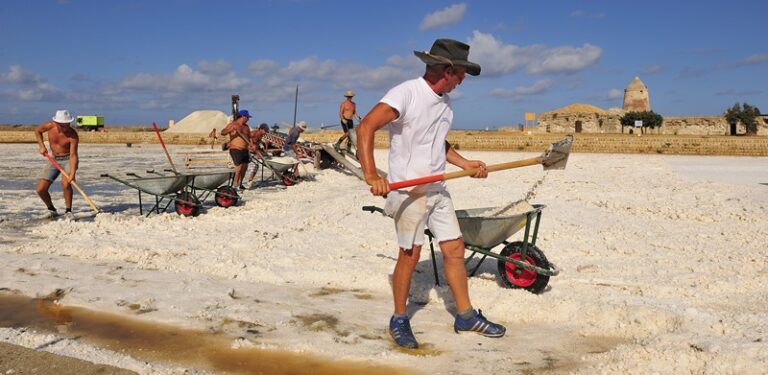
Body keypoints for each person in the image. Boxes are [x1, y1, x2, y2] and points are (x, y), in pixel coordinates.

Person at [357, 39, 506, 349]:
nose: (463, 79)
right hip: (410, 191)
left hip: (438, 188)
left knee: (454, 249)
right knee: (409, 256)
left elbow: (438, 142)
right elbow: (366, 127)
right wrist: (372, 174)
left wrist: (465, 164)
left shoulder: (445, 102)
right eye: (461, 73)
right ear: (448, 70)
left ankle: (465, 315)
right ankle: (399, 318)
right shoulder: (406, 93)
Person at [34, 110, 80, 219]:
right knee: (40, 189)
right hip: (54, 159)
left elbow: (74, 155)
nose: (66, 127)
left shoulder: (73, 135)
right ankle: (52, 210)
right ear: (57, 123)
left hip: (68, 159)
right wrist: (41, 145)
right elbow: (37, 131)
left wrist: (72, 173)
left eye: (68, 124)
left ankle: (68, 211)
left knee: (65, 184)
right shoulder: (49, 126)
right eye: (63, 125)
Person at [221, 110, 252, 189]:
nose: (248, 119)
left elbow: (249, 137)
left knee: (244, 168)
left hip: (245, 150)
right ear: (243, 116)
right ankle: (234, 185)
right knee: (239, 168)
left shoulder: (246, 127)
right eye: (247, 117)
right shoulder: (233, 124)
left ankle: (240, 184)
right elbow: (223, 132)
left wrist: (251, 146)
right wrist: (230, 130)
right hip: (235, 148)